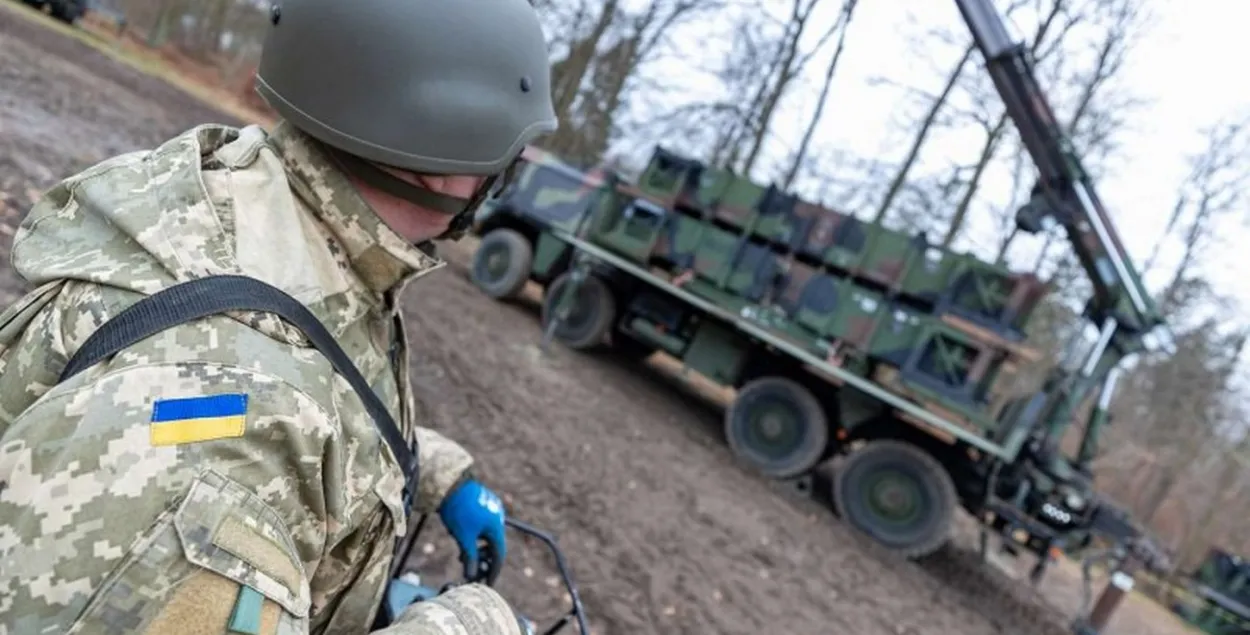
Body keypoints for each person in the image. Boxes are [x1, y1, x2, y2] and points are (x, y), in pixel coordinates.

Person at [0, 0, 558, 632]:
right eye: (504, 155)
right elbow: (219, 415)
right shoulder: (222, 444)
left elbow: (280, 391)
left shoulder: (273, 206)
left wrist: (430, 469)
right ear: (444, 150)